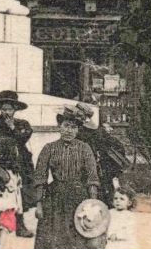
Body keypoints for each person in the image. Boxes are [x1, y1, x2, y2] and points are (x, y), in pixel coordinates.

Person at [30, 105, 100, 249]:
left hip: (78, 197)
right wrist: (39, 204)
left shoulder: (85, 148)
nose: (69, 130)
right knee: (52, 239)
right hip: (54, 197)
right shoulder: (49, 148)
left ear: (78, 130)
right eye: (66, 126)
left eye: (73, 127)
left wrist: (92, 202)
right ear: (59, 126)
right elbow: (40, 178)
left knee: (77, 238)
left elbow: (92, 177)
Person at [0, 89, 34, 237]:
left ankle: (20, 224)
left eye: (10, 109)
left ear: (15, 109)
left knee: (18, 194)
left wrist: (12, 128)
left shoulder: (22, 124)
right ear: (0, 109)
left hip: (18, 163)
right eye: (4, 109)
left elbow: (24, 137)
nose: (7, 112)